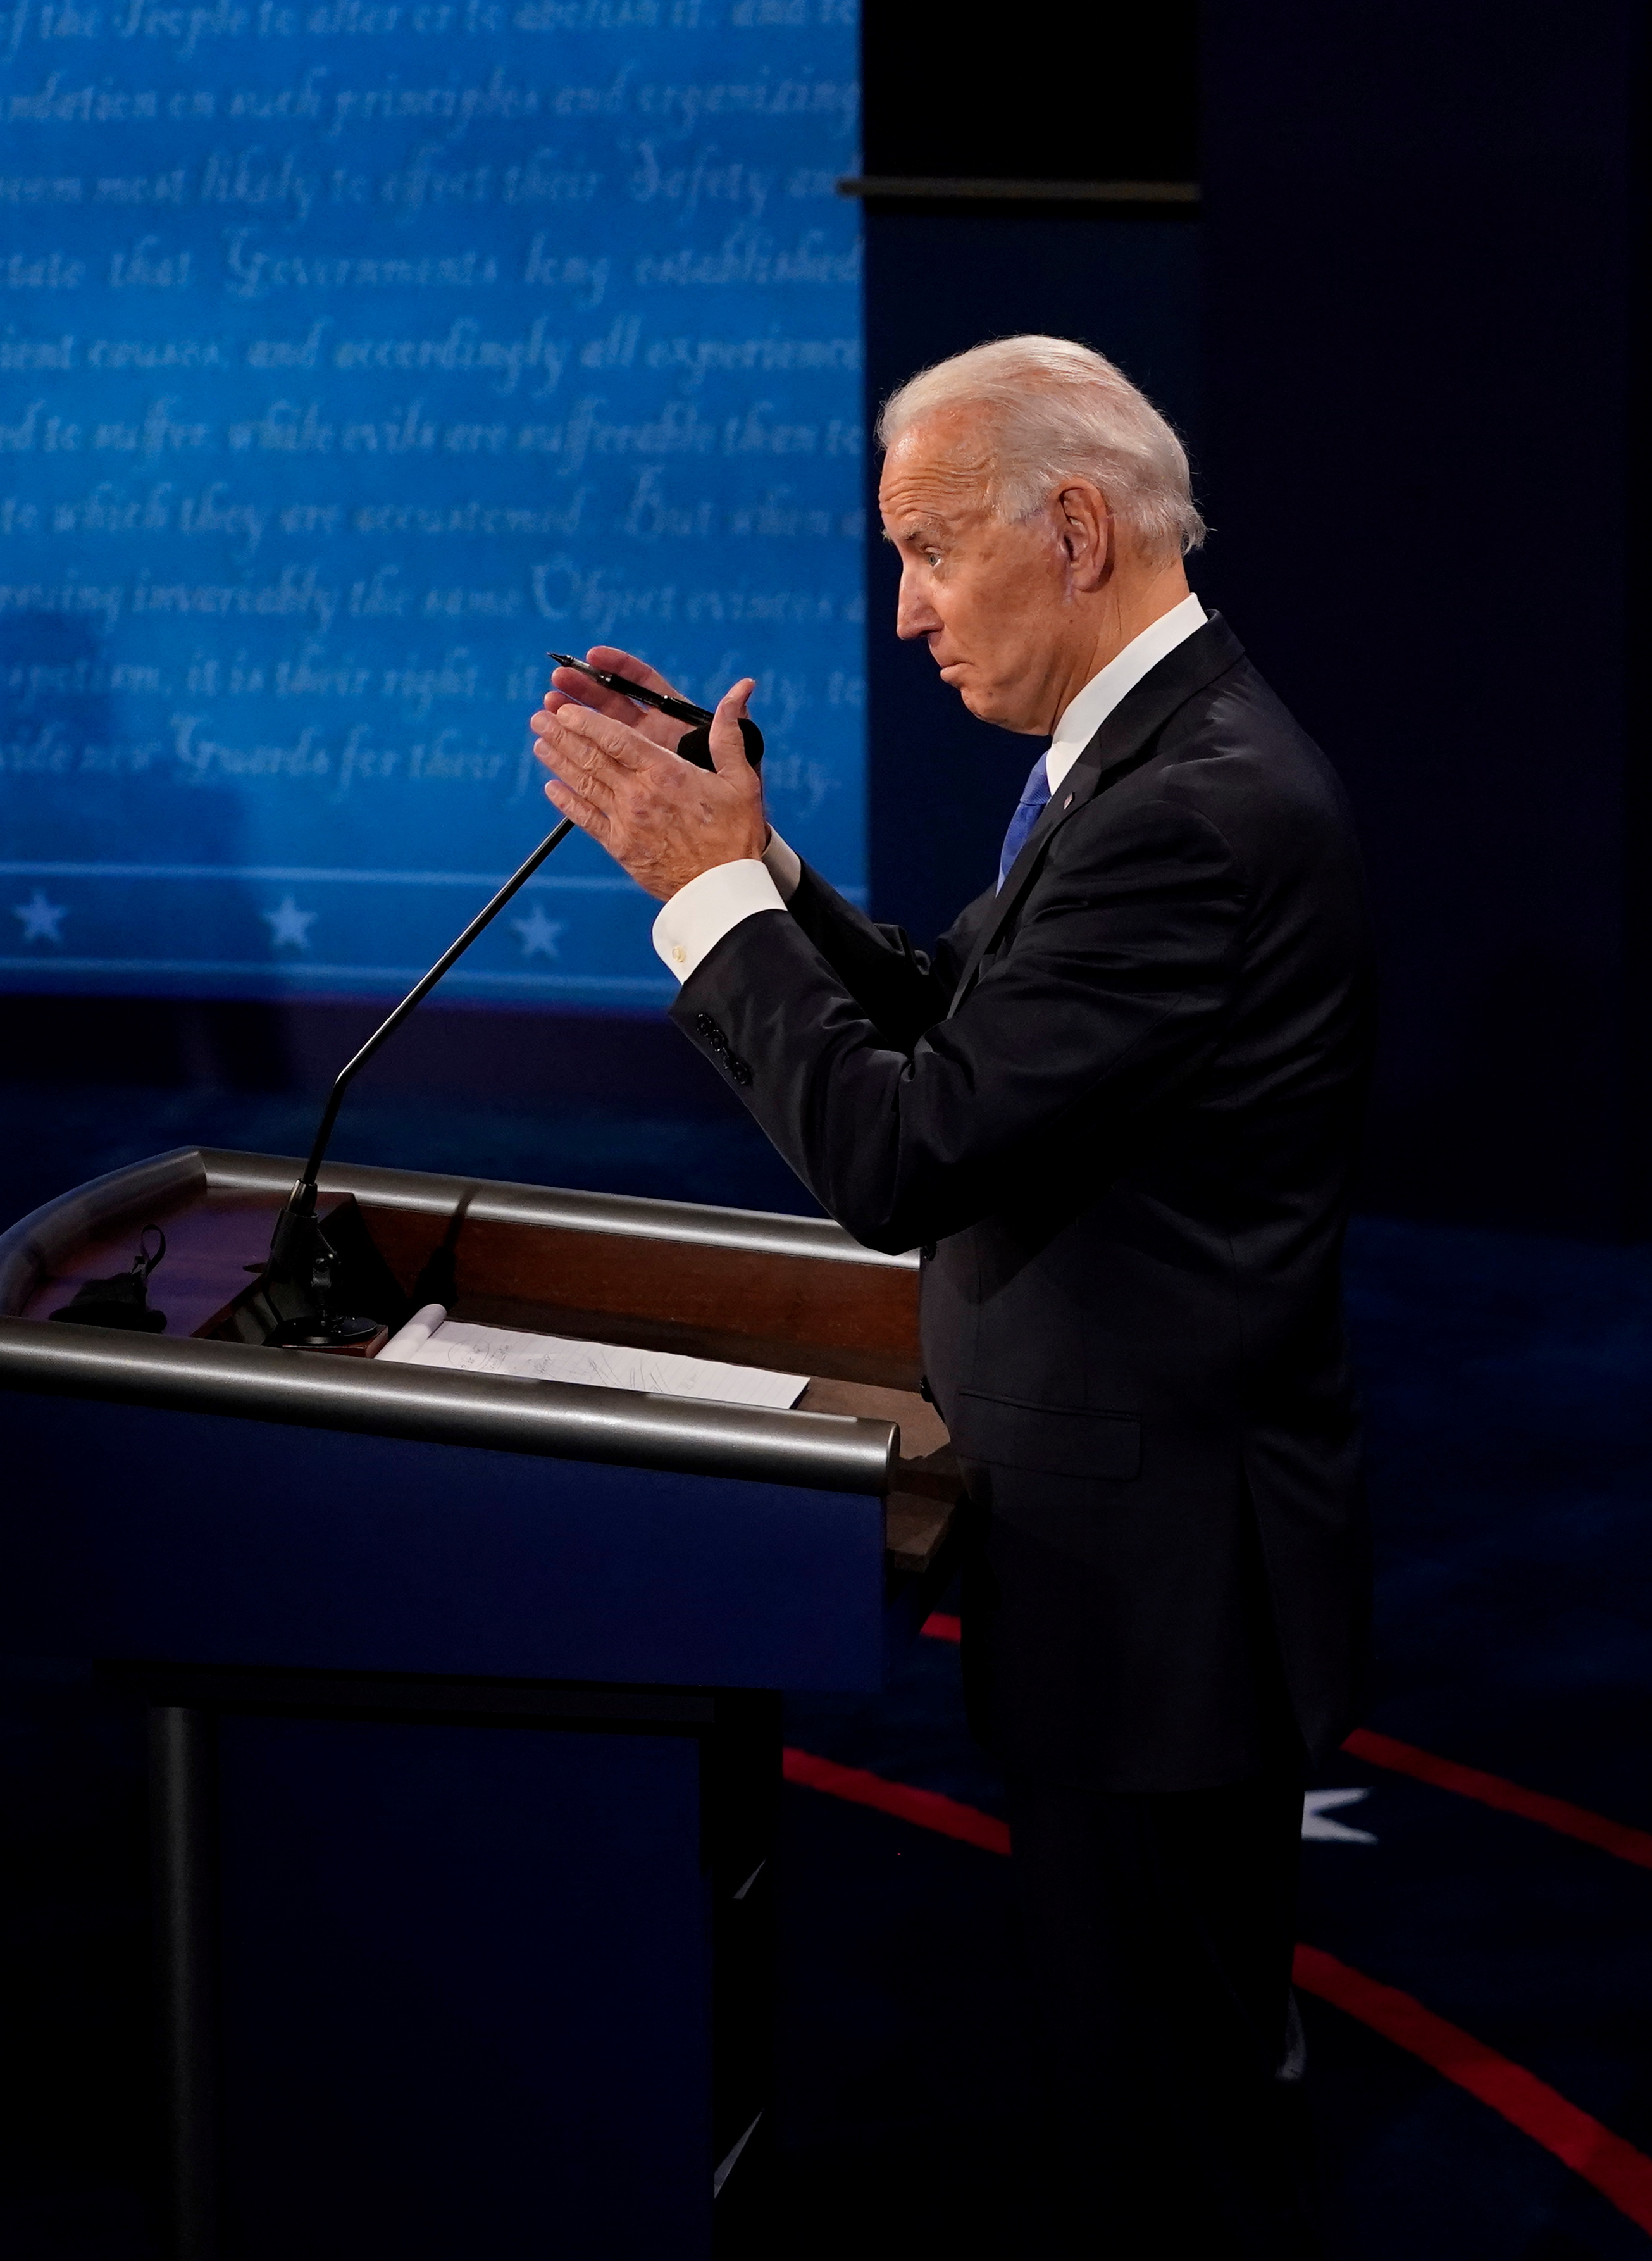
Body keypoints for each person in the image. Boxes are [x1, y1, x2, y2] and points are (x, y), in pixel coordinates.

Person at [528, 335, 1373, 2252]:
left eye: (926, 549)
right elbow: (959, 1019)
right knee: (1154, 2084)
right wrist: (747, 859)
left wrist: (705, 900)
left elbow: (906, 1152)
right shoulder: (1153, 759)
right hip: (1130, 1560)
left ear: (1073, 528)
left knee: (1178, 2123)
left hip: (1164, 1591)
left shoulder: (1192, 810)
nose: (904, 612)